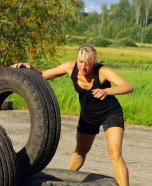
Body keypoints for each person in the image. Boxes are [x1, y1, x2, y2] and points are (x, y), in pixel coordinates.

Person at [11, 44, 134, 186]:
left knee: (115, 154)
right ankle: (65, 182)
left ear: (94, 62)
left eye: (87, 63)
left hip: (110, 114)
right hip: (88, 116)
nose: (83, 67)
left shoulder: (102, 71)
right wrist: (29, 68)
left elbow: (128, 86)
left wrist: (107, 91)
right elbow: (43, 75)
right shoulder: (70, 68)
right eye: (80, 62)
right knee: (80, 151)